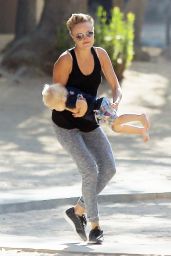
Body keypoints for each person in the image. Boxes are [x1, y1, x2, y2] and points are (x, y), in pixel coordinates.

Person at [49, 13, 122, 244]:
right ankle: (95, 226)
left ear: (93, 32)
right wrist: (73, 107)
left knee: (109, 168)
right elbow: (53, 97)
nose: (85, 38)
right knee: (90, 170)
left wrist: (115, 103)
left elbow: (116, 87)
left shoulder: (100, 54)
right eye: (80, 35)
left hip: (90, 120)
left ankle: (78, 209)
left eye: (89, 33)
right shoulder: (65, 61)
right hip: (66, 125)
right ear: (72, 36)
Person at [42, 83, 150, 142]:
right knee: (116, 127)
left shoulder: (69, 102)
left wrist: (79, 113)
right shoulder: (68, 90)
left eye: (54, 107)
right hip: (99, 108)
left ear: (59, 102)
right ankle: (141, 131)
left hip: (99, 109)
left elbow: (82, 103)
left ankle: (140, 117)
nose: (55, 109)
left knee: (117, 121)